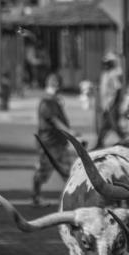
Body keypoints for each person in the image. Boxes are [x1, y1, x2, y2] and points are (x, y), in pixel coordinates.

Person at [34, 74, 80, 207]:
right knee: (44, 170)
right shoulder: (47, 101)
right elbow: (54, 120)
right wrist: (69, 132)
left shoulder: (52, 100)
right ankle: (36, 197)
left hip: (58, 142)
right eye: (58, 84)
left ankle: (72, 198)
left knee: (69, 170)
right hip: (49, 143)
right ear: (55, 85)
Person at [94, 52, 124, 149]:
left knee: (114, 125)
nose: (106, 65)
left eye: (108, 63)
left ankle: (125, 140)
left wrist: (114, 104)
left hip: (111, 104)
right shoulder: (105, 74)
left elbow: (118, 88)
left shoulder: (113, 74)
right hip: (105, 104)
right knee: (104, 125)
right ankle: (99, 142)